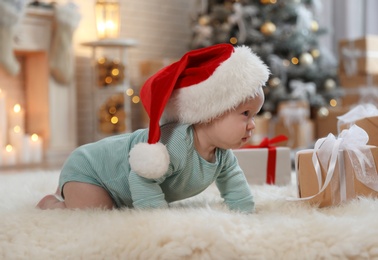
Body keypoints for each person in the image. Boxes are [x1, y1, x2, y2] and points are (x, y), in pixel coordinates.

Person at [37, 43, 270, 214]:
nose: (252, 125)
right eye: (245, 114)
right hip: (91, 172)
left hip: (116, 186)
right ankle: (55, 204)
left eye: (255, 115)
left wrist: (246, 213)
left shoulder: (222, 155)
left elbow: (235, 186)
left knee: (114, 210)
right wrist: (157, 220)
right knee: (97, 213)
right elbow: (142, 178)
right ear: (211, 114)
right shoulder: (176, 144)